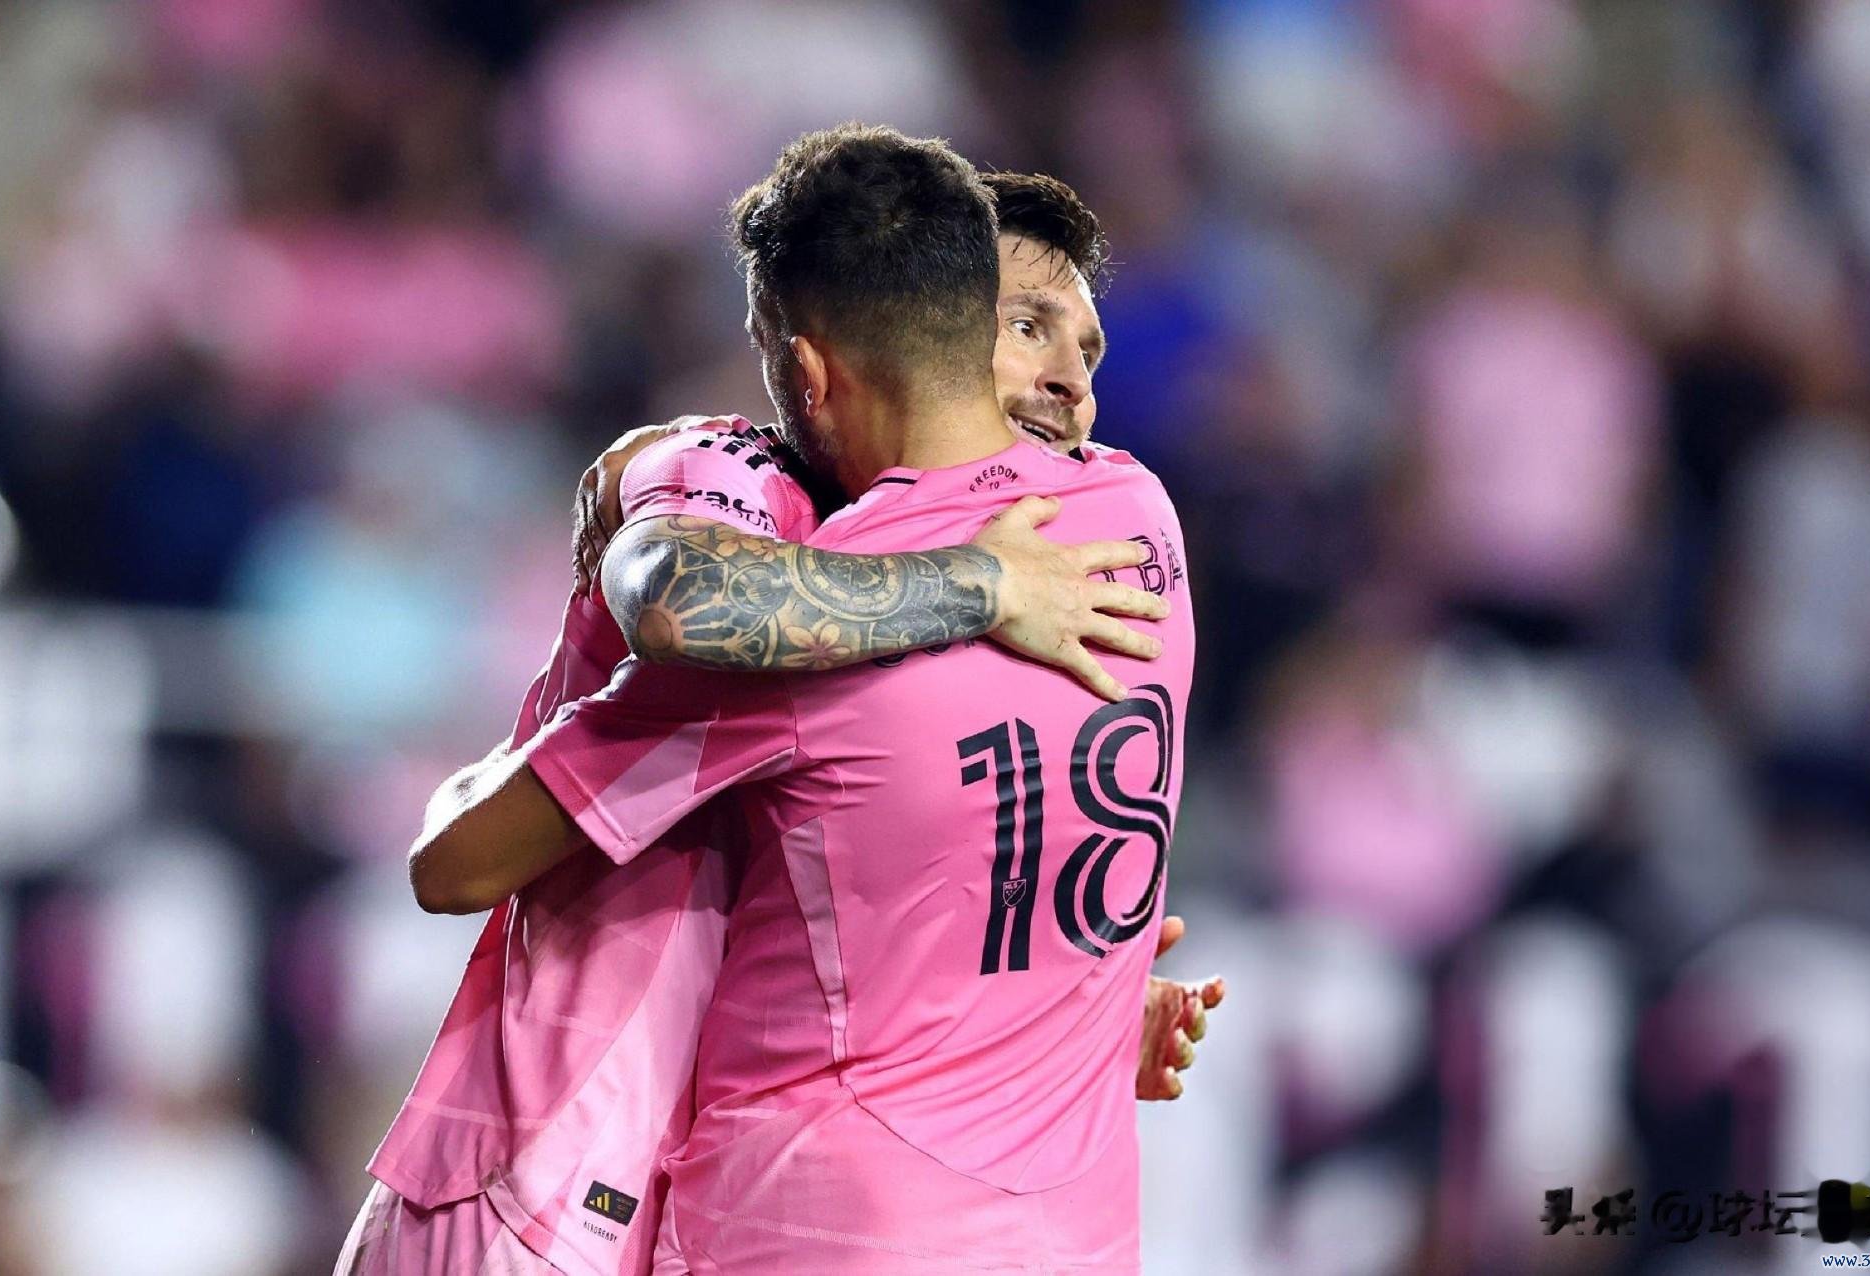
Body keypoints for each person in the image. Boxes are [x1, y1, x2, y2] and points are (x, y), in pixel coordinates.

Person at [342, 164, 1217, 1275]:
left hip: (791, 1219)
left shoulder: (810, 611)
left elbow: (461, 857)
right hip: (1017, 1234)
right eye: (1027, 326)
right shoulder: (1133, 521)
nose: (1066, 383)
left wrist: (1069, 995)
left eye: (1085, 348)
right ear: (950, 327)